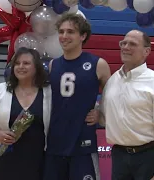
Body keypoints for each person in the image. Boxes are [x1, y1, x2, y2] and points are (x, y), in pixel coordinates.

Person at [98, 30, 154, 180]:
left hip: (148, 158)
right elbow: (105, 118)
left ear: (146, 51)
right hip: (119, 156)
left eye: (133, 44)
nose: (126, 47)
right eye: (124, 43)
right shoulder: (112, 81)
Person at [43, 13, 111, 180]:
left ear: (83, 36)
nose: (64, 36)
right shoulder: (53, 65)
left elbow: (113, 98)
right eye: (61, 31)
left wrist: (100, 113)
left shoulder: (98, 64)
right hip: (55, 143)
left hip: (83, 144)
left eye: (70, 32)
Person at [0, 47, 52, 180]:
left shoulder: (50, 92)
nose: (20, 67)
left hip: (37, 161)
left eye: (26, 63)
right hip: (2, 160)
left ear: (37, 67)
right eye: (17, 63)